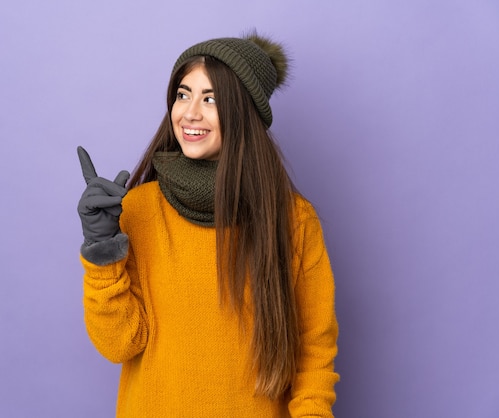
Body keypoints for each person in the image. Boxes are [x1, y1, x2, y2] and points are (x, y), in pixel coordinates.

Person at [76, 31, 339, 417]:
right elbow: (119, 345)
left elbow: (313, 350)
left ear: (243, 111)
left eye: (210, 98)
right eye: (183, 94)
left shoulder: (293, 221)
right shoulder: (137, 209)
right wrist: (102, 254)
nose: (190, 112)